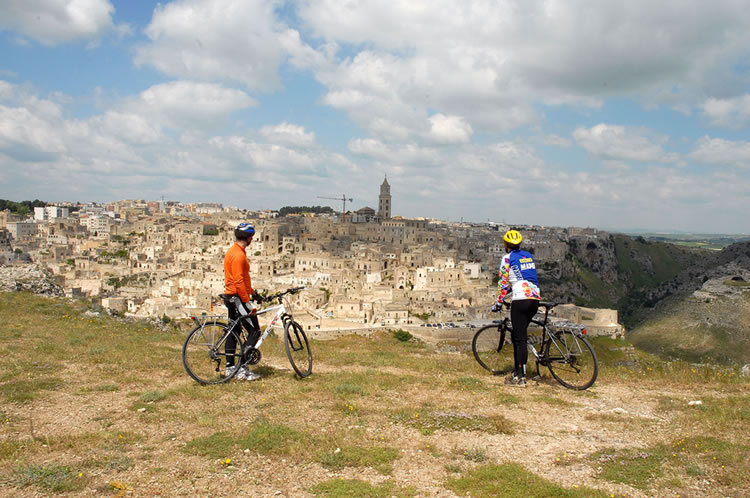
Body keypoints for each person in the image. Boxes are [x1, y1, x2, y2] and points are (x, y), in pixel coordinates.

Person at [491, 229, 541, 386]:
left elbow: (503, 283)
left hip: (520, 300)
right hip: (534, 298)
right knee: (519, 336)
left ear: (506, 245)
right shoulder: (528, 256)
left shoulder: (507, 258)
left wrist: (498, 303)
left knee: (520, 339)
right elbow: (525, 279)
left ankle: (521, 377)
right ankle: (517, 370)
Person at [223, 222, 263, 381]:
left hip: (231, 296)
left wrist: (252, 292)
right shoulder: (239, 255)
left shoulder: (233, 251)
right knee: (254, 331)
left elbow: (243, 280)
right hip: (238, 298)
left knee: (234, 331)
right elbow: (239, 281)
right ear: (249, 238)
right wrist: (247, 302)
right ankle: (241, 368)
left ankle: (230, 367)